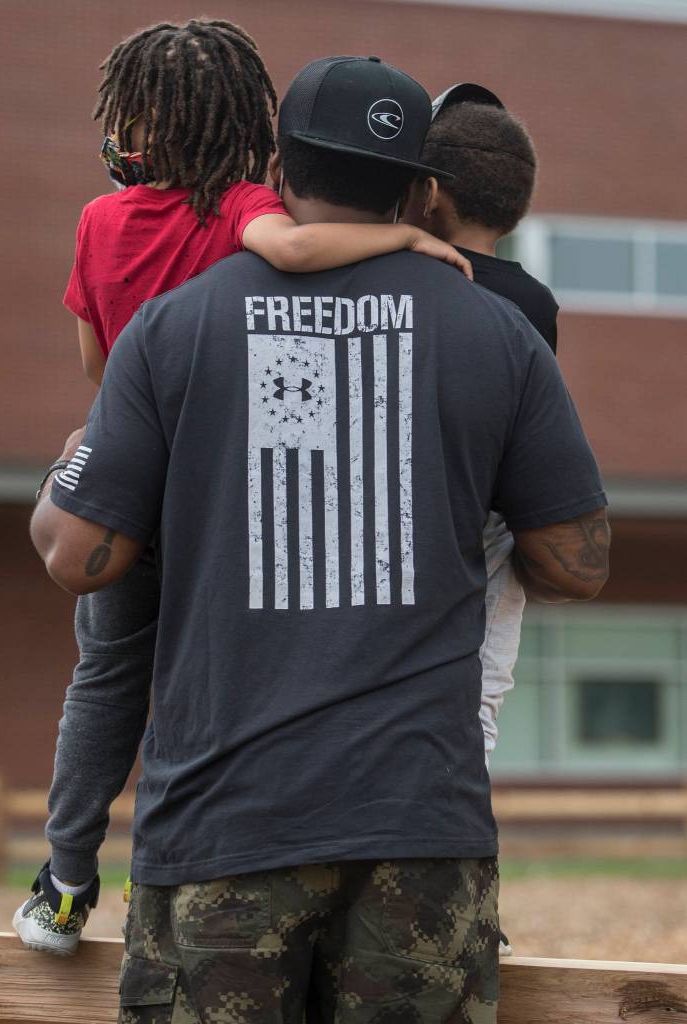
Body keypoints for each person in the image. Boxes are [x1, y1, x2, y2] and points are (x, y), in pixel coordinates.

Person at [30, 56, 609, 1023]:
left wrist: (76, 464)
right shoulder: (496, 331)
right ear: (418, 186)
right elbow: (573, 565)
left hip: (223, 829)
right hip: (421, 831)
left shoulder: (173, 330)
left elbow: (77, 557)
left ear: (277, 169)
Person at [12, 21, 469, 957]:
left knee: (104, 678)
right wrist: (404, 242)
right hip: (225, 488)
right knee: (224, 668)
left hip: (124, 478)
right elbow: (295, 258)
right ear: (241, 123)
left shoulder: (99, 223)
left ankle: (63, 881)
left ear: (146, 126)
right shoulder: (242, 203)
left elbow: (98, 363)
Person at [403, 88, 561, 957]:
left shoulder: (410, 271)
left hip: (408, 519)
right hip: (492, 527)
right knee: (480, 711)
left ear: (429, 192)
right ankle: (470, 904)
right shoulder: (531, 301)